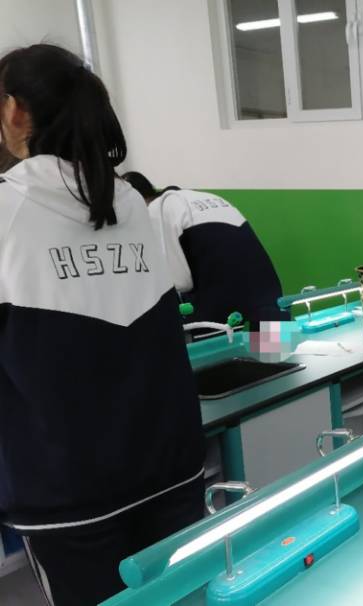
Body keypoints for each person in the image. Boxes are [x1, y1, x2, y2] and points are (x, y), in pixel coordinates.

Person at [0, 45, 204, 604]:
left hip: (69, 492)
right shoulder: (129, 199)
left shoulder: (8, 209)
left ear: (15, 110)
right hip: (169, 465)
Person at [122, 172, 288, 327]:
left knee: (208, 342)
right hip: (270, 294)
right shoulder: (200, 197)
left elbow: (181, 282)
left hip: (224, 305)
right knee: (276, 347)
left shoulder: (156, 211)